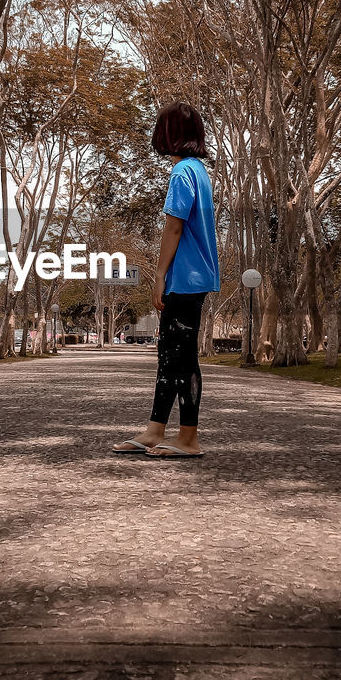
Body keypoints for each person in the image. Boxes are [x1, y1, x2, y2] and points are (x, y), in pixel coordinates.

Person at [112, 101, 220, 459]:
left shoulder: (182, 174)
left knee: (183, 358)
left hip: (185, 278)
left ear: (170, 133)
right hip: (192, 278)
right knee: (170, 356)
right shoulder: (198, 171)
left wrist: (158, 275)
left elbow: (174, 227)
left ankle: (189, 437)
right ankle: (155, 430)